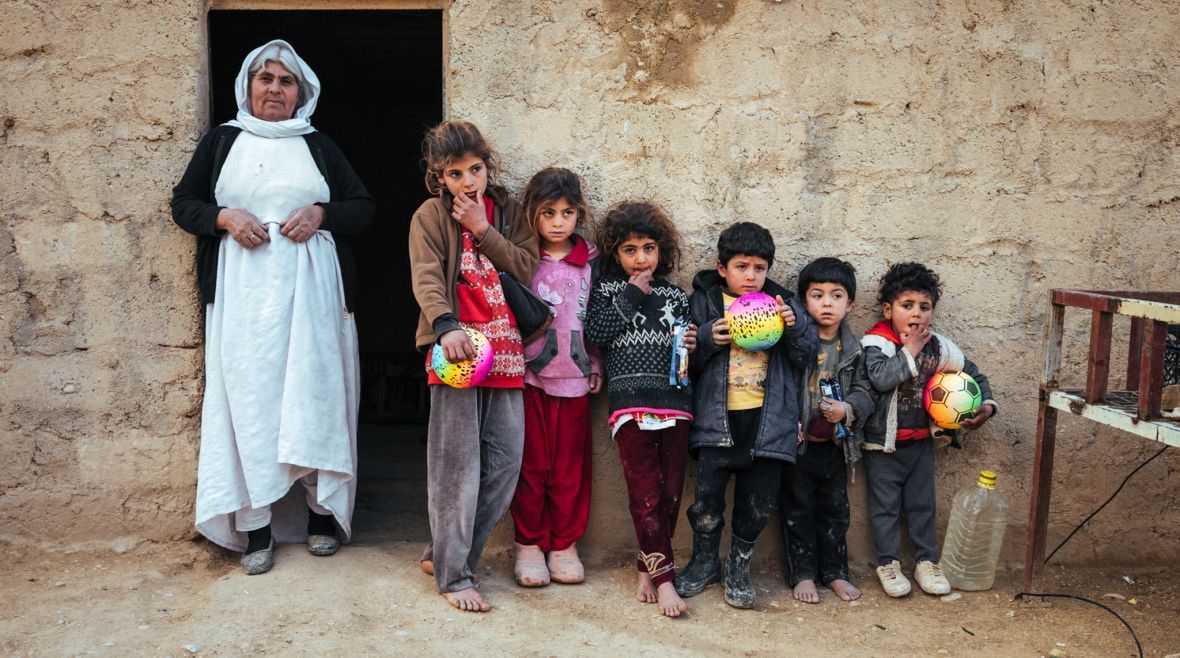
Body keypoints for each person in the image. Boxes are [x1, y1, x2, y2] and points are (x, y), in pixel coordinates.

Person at [171, 39, 375, 575]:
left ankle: (320, 514)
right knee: (252, 404)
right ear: (248, 85)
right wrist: (224, 219)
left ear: (301, 92)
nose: (276, 89)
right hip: (242, 300)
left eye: (287, 82)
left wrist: (320, 212)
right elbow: (183, 203)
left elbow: (363, 208)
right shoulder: (221, 142)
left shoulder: (319, 146)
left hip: (313, 300)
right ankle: (256, 526)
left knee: (314, 396)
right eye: (267, 79)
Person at [409, 120, 538, 612]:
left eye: (475, 170)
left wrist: (483, 231)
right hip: (456, 352)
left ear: (488, 168)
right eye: (455, 173)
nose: (468, 182)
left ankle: (444, 553)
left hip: (505, 353)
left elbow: (527, 266)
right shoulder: (428, 215)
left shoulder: (506, 211)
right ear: (439, 176)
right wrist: (446, 325)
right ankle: (455, 574)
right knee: (455, 468)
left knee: (504, 465)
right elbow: (425, 276)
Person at [674, 222, 817, 609]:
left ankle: (738, 567)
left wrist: (794, 326)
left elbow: (806, 356)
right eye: (741, 266)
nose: (751, 275)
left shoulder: (783, 305)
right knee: (707, 502)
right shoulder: (703, 302)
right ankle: (704, 562)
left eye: (759, 267)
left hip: (767, 425)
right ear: (722, 268)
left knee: (756, 504)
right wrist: (706, 339)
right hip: (716, 422)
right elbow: (684, 364)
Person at [586, 201, 697, 618]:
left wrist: (693, 344)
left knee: (668, 494)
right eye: (629, 249)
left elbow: (688, 351)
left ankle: (645, 567)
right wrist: (632, 293)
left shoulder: (675, 295)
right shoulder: (610, 290)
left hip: (676, 405)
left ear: (661, 250)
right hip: (631, 407)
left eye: (648, 248)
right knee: (645, 494)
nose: (640, 258)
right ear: (615, 252)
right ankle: (665, 579)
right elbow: (596, 331)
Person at [859, 262, 998, 597]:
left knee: (923, 506)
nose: (916, 314)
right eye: (907, 306)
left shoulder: (939, 347)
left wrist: (987, 405)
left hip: (921, 444)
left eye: (925, 307)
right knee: (885, 508)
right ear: (888, 309)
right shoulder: (876, 343)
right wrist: (911, 351)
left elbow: (975, 375)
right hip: (883, 446)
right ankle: (888, 563)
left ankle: (926, 561)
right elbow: (880, 378)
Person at [510, 168, 602, 587]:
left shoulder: (591, 262)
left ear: (579, 214)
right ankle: (528, 544)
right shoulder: (524, 259)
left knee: (569, 469)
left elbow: (598, 321)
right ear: (533, 214)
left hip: (577, 379)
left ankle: (564, 544)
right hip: (530, 377)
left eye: (567, 212)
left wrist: (596, 363)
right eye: (548, 212)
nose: (558, 221)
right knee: (531, 466)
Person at [780, 257, 875, 604]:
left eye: (836, 296)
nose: (827, 303)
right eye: (817, 295)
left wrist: (846, 409)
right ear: (804, 301)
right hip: (799, 446)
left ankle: (835, 573)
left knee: (836, 513)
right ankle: (803, 574)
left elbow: (865, 392)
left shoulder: (853, 350)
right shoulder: (793, 343)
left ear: (849, 304)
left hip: (836, 447)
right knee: (797, 511)